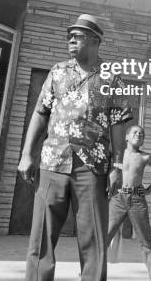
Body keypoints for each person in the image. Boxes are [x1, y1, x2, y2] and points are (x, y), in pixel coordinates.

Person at [18, 14, 132, 281]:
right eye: (70, 35)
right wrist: (26, 155)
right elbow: (40, 113)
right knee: (41, 239)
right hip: (52, 163)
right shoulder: (57, 72)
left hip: (92, 169)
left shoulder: (112, 79)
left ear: (95, 41)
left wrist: (117, 166)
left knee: (93, 242)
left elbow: (119, 125)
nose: (71, 39)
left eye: (78, 35)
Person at [107, 125, 151, 281]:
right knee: (104, 236)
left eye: (141, 134)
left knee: (147, 241)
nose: (138, 135)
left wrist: (149, 190)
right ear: (127, 137)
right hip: (118, 199)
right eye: (135, 132)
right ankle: (89, 273)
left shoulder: (145, 157)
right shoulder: (117, 156)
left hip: (137, 200)